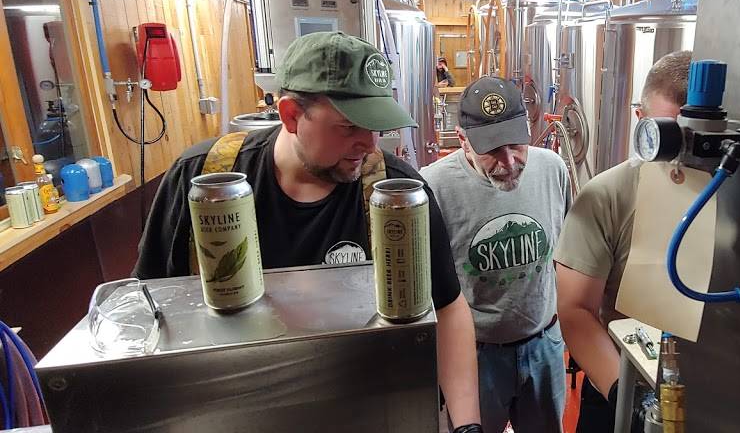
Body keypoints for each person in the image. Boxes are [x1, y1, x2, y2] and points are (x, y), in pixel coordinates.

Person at [133, 31, 483, 433]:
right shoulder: (203, 178)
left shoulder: (395, 192)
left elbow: (448, 307)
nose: (369, 145)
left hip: (369, 410)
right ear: (290, 115)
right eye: (349, 126)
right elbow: (149, 306)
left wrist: (467, 426)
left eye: (376, 126)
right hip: (230, 412)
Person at [421, 77, 570, 433]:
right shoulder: (434, 186)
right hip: (476, 356)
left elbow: (565, 256)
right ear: (462, 140)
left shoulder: (552, 169)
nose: (509, 161)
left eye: (516, 144)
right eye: (492, 150)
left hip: (544, 345)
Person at [554, 50, 693, 432]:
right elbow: (576, 309)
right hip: (620, 382)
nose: (680, 154)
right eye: (668, 135)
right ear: (641, 119)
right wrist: (626, 400)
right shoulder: (608, 196)